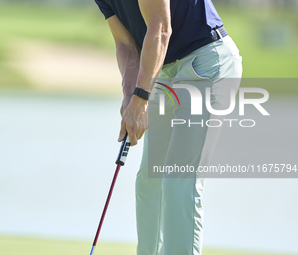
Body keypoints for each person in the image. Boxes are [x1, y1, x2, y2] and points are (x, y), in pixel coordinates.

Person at [94, 0, 242, 254]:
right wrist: (130, 96)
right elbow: (125, 43)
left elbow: (161, 29)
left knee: (178, 179)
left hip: (207, 64)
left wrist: (141, 99)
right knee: (149, 180)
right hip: (164, 73)